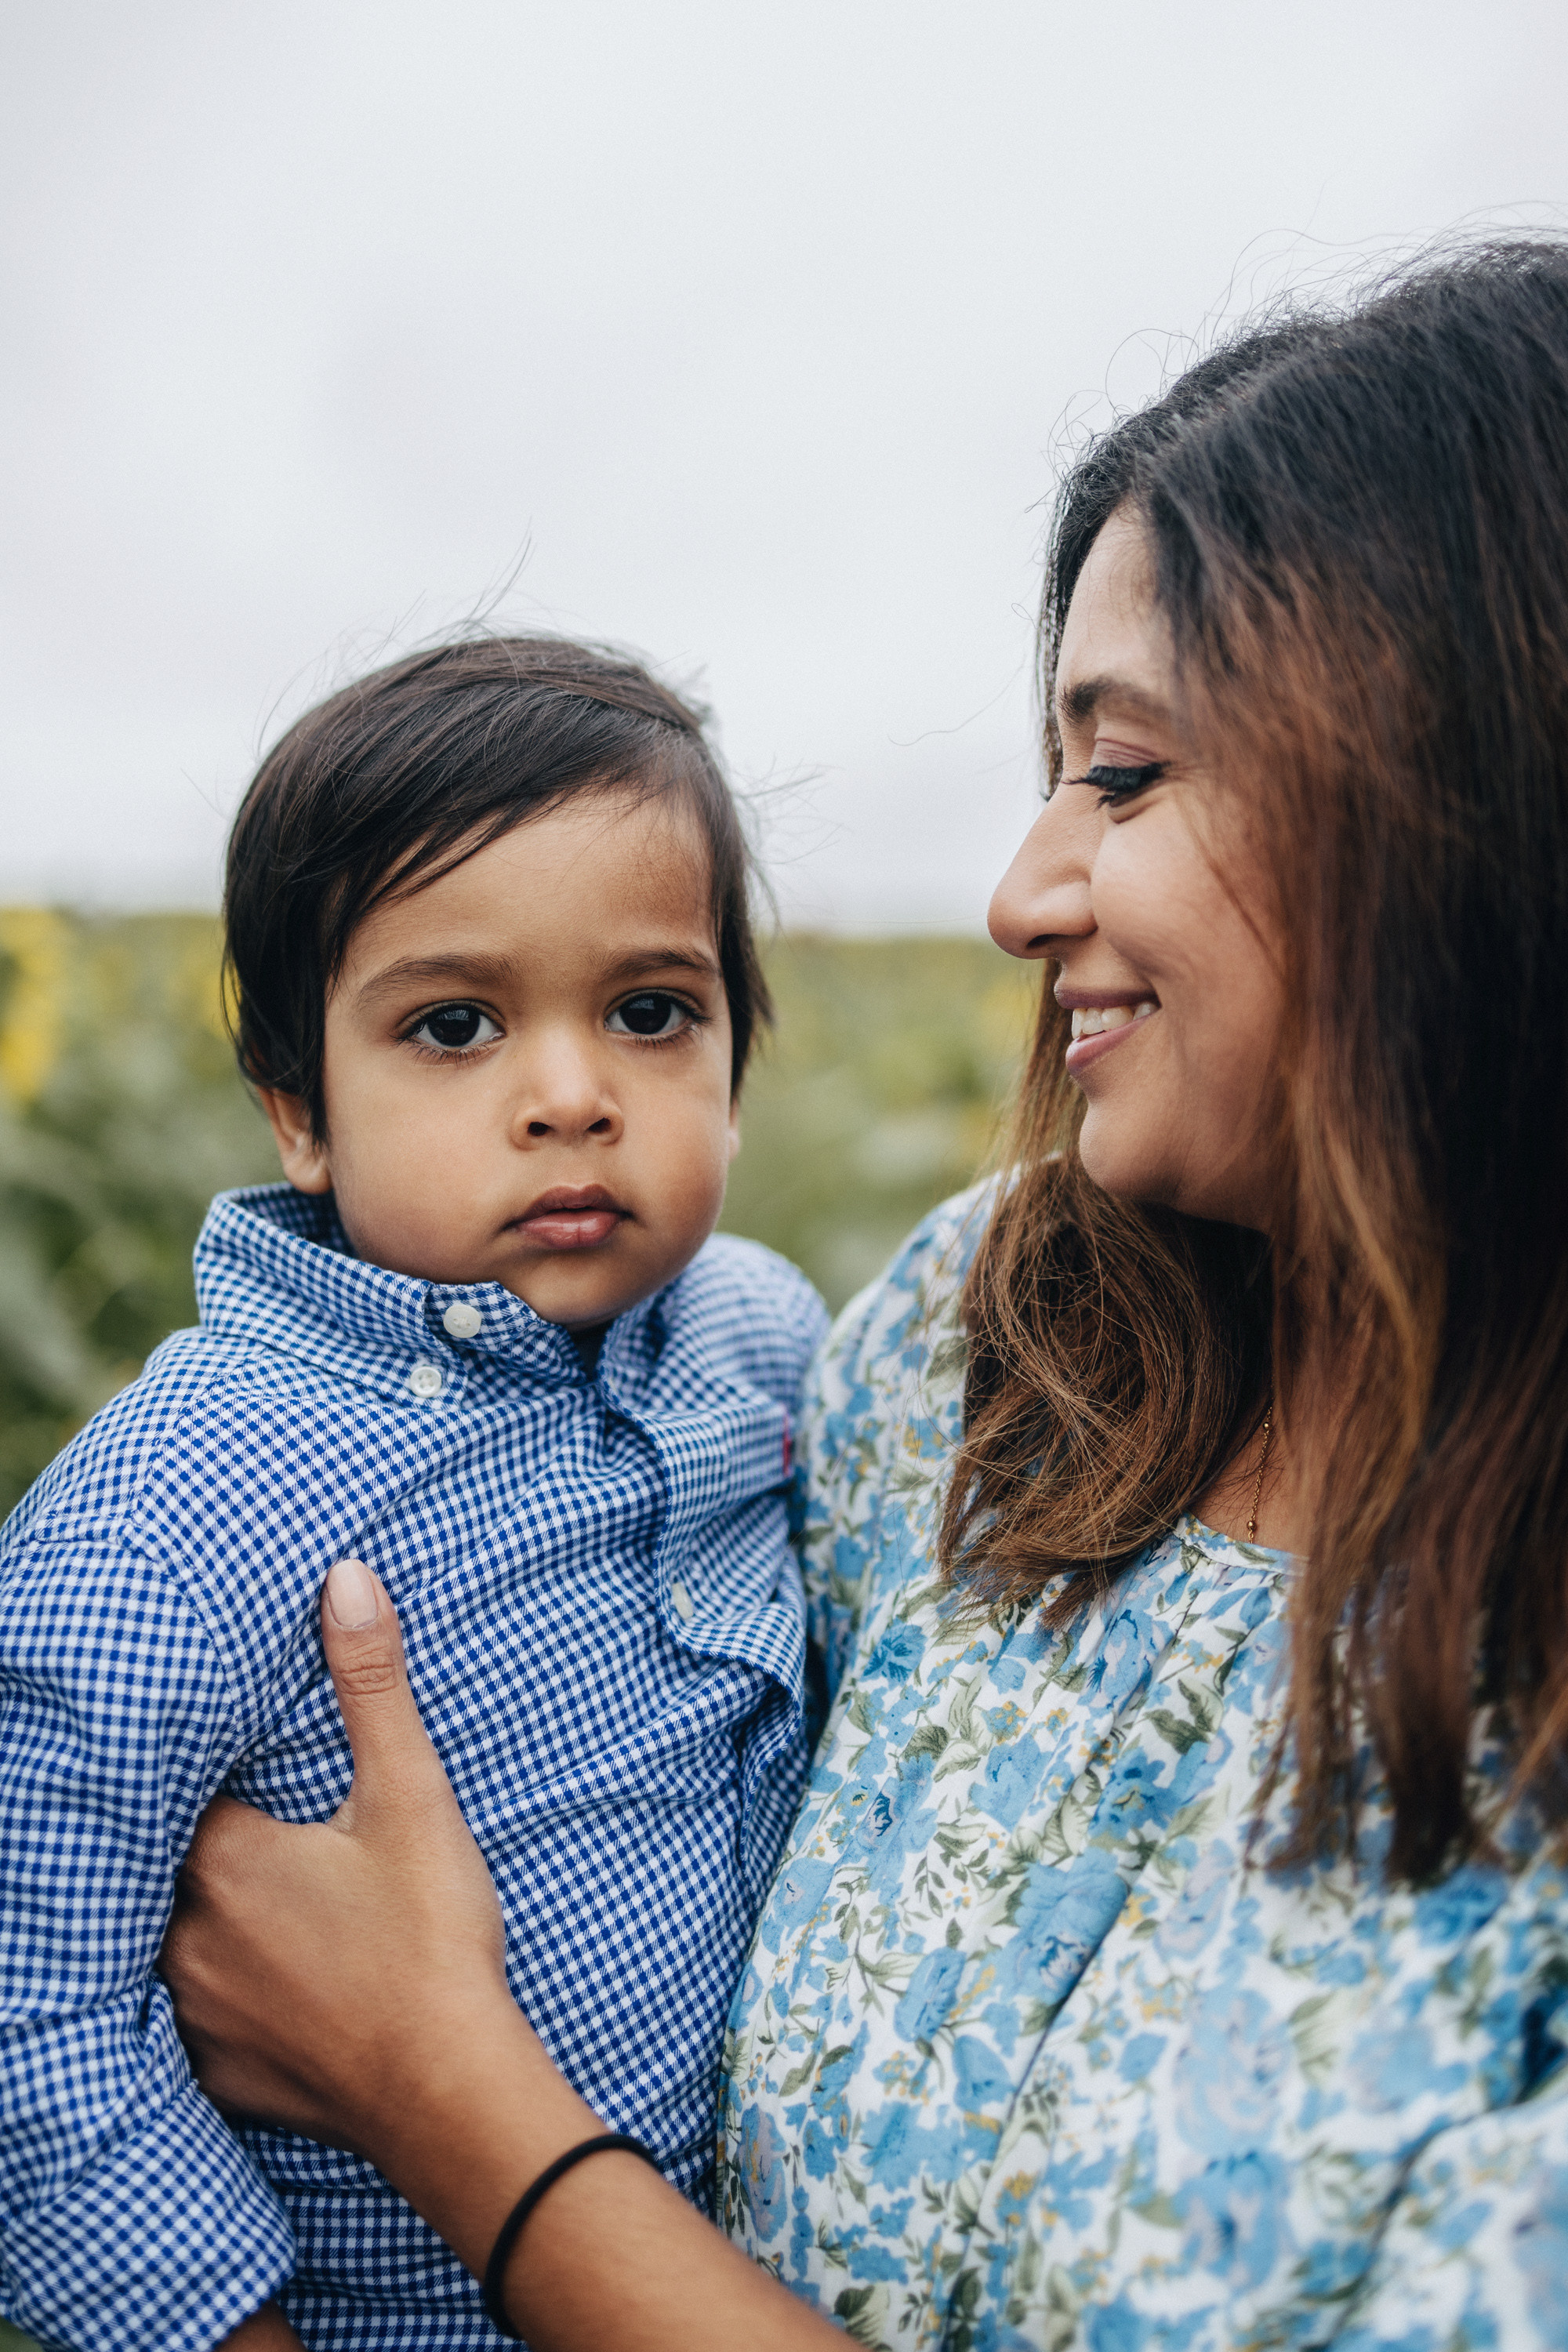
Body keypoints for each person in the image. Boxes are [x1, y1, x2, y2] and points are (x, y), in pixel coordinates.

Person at [159, 241, 1568, 2351]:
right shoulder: (975, 1353)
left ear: (1470, 800)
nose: (1022, 892)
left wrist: (448, 2098)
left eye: (1125, 771)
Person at [0, 640, 829, 2352]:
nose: (572, 1094)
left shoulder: (763, 1337)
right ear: (299, 1111)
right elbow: (30, 2012)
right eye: (453, 1027)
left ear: (738, 1062)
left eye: (650, 1012)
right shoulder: (176, 1512)